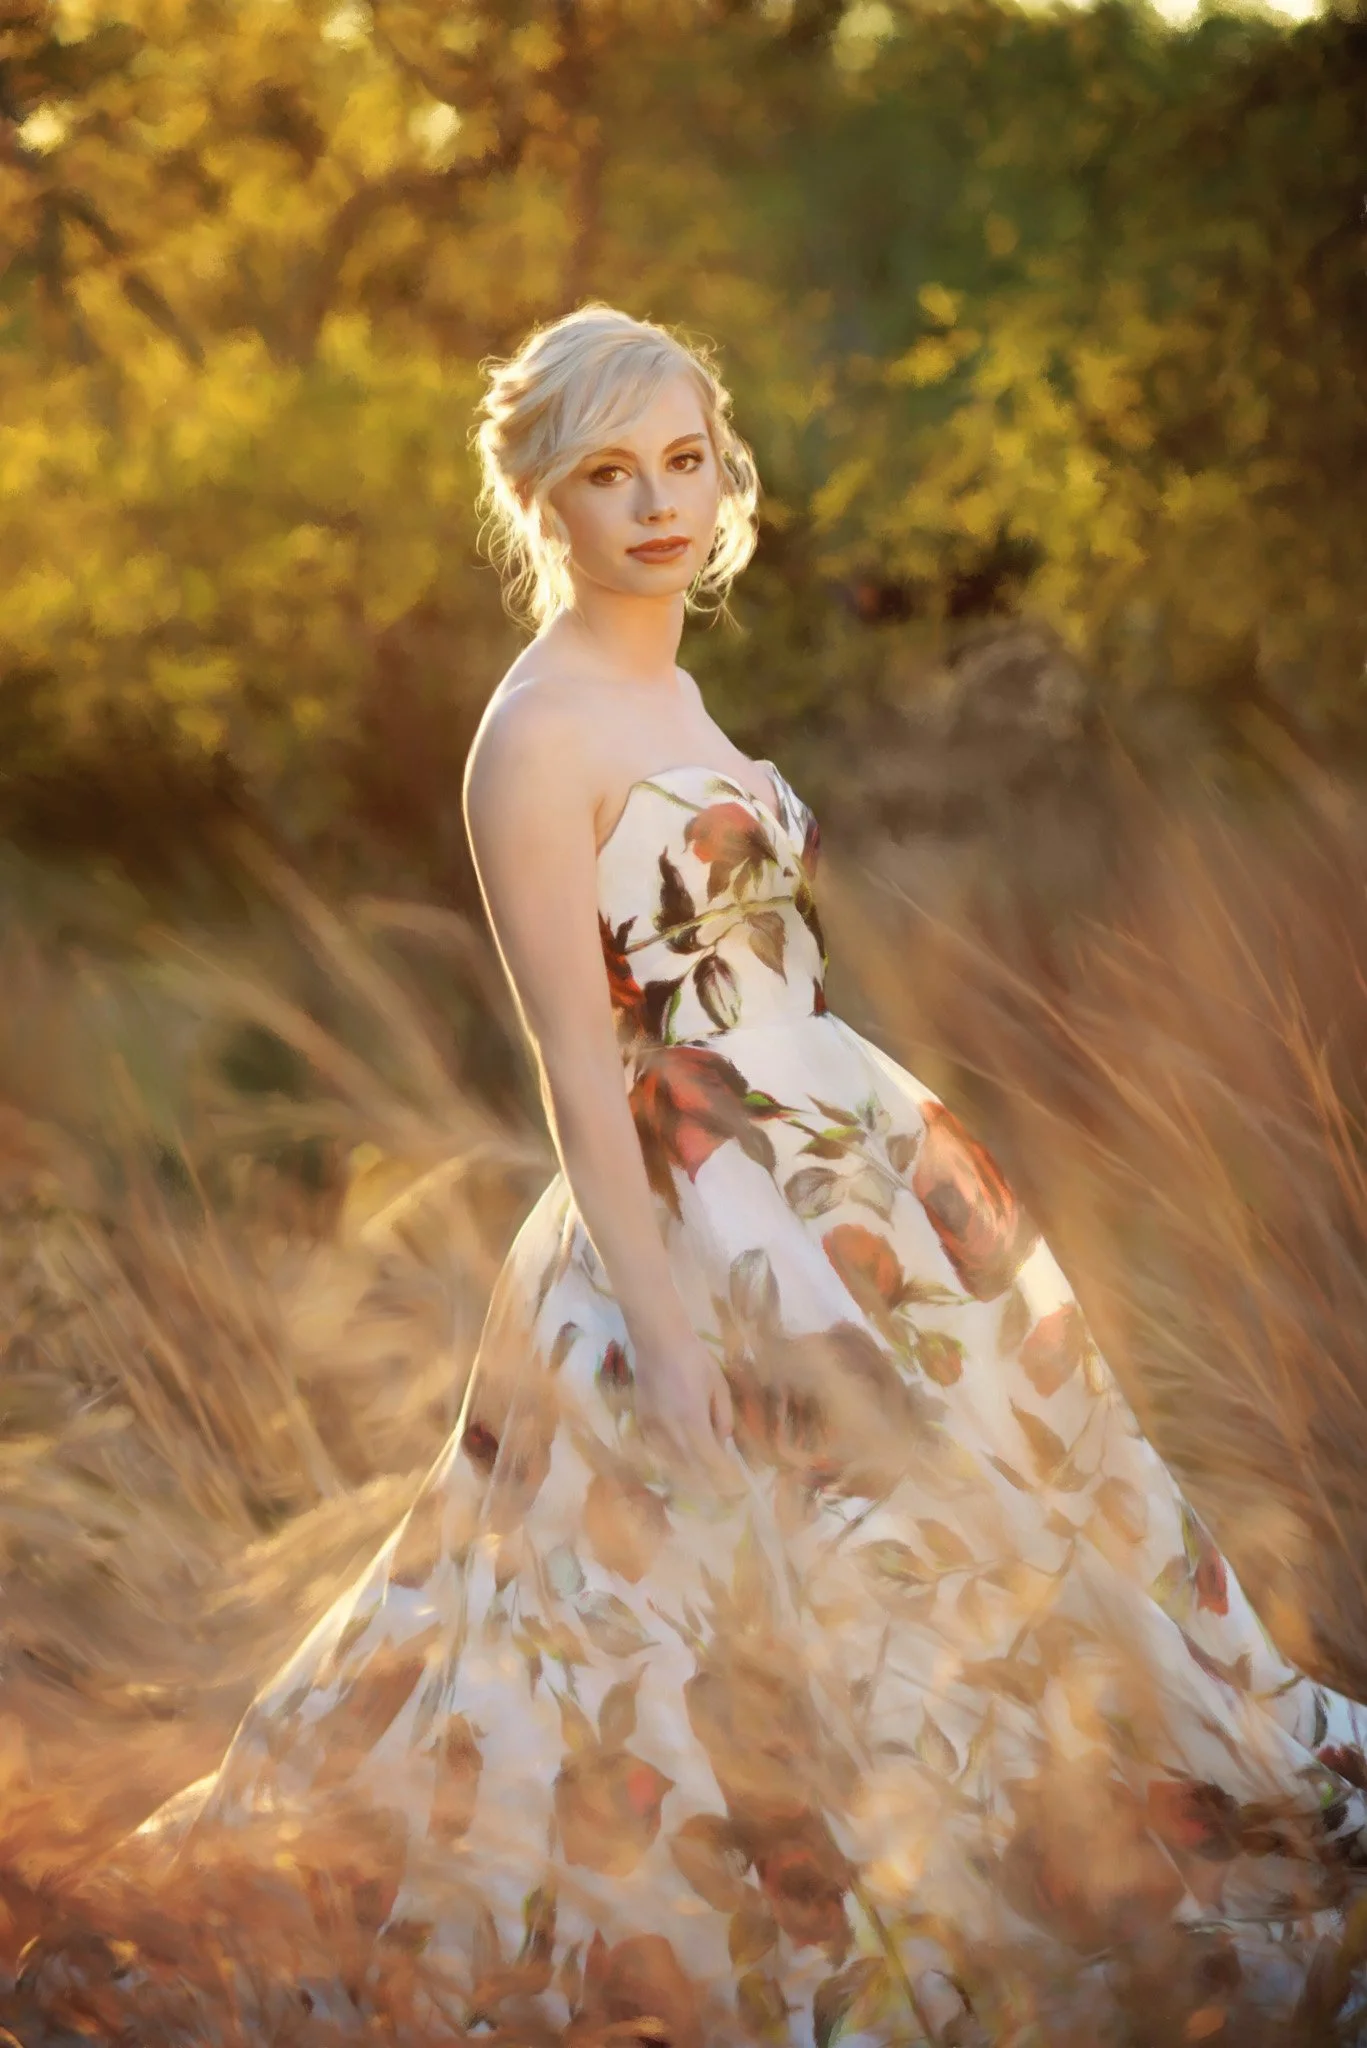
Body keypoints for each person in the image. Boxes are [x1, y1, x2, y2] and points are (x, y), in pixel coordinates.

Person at [125, 304, 1367, 2044]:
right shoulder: (534, 733)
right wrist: (675, 1333)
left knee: (991, 1533)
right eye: (608, 472)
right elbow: (577, 1056)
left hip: (854, 1184)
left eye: (685, 461)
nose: (656, 503)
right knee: (698, 1606)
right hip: (695, 1217)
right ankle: (844, 1938)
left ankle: (1039, 1867)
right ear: (541, 499)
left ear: (724, 475)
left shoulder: (678, 687)